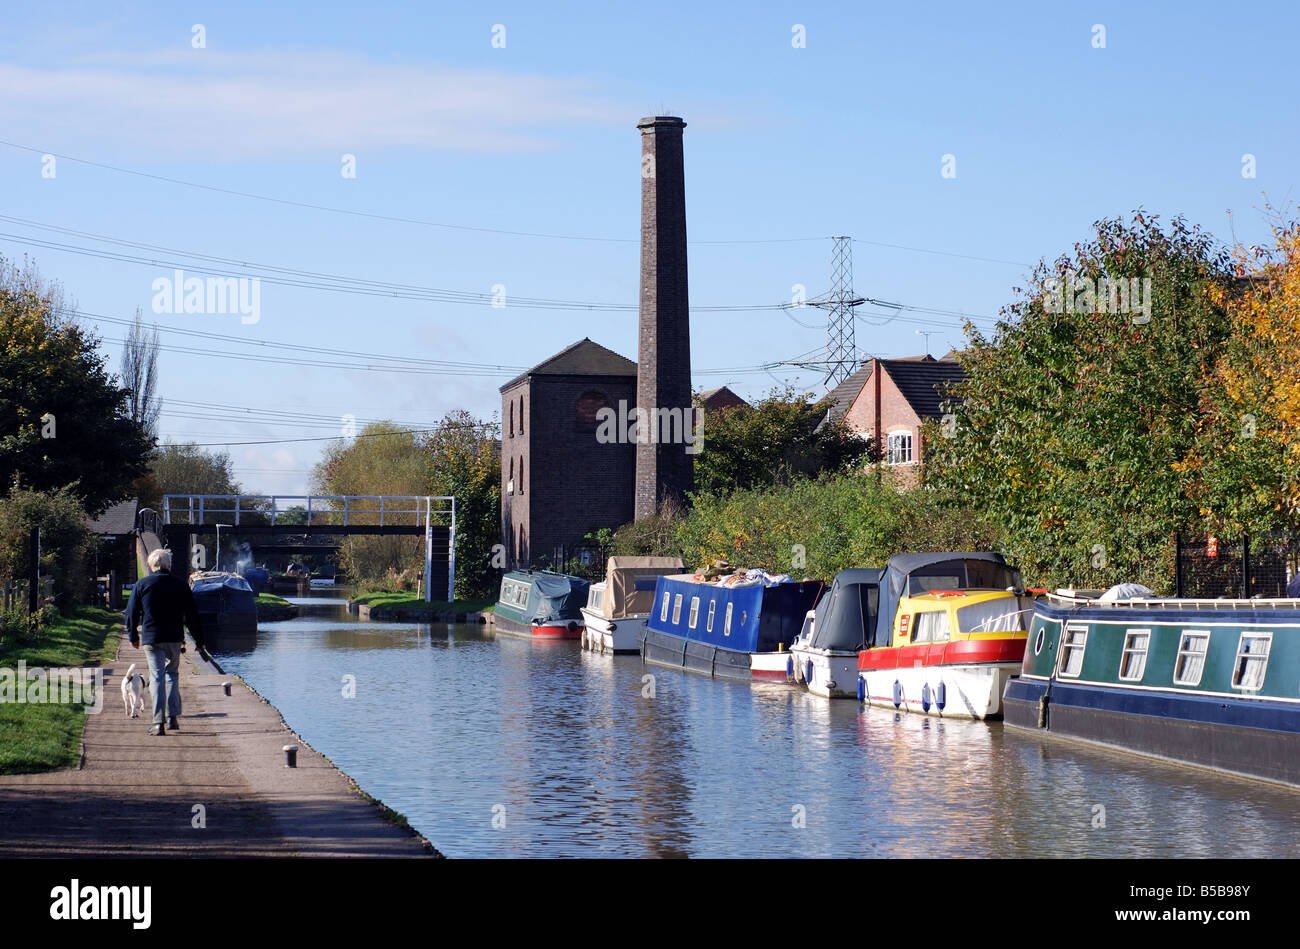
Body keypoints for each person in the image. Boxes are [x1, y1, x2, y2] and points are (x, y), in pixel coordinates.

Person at [123, 548, 205, 736]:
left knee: (157, 677)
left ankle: (158, 722)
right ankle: (172, 718)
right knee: (171, 675)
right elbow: (192, 615)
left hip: (151, 638)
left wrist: (133, 636)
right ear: (169, 564)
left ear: (152, 565)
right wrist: (200, 641)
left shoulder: (142, 584)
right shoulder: (181, 585)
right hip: (174, 638)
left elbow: (131, 613)